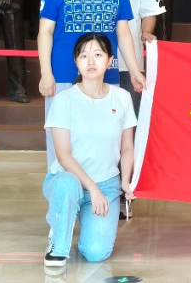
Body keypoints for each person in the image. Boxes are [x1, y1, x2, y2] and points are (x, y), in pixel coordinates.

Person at [37, 0, 145, 166]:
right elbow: (45, 32)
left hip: (106, 75)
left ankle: (105, 185)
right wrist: (46, 73)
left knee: (105, 138)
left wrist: (135, 71)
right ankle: (63, 186)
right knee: (62, 140)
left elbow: (123, 33)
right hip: (63, 74)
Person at [43, 32, 137, 267]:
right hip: (68, 180)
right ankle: (58, 244)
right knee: (68, 184)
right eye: (84, 56)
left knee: (95, 252)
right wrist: (92, 189)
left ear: (110, 60)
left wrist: (126, 181)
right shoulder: (64, 100)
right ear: (76, 61)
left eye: (98, 55)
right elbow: (63, 156)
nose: (91, 61)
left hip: (106, 183)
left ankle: (72, 217)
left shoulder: (122, 98)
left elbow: (127, 148)